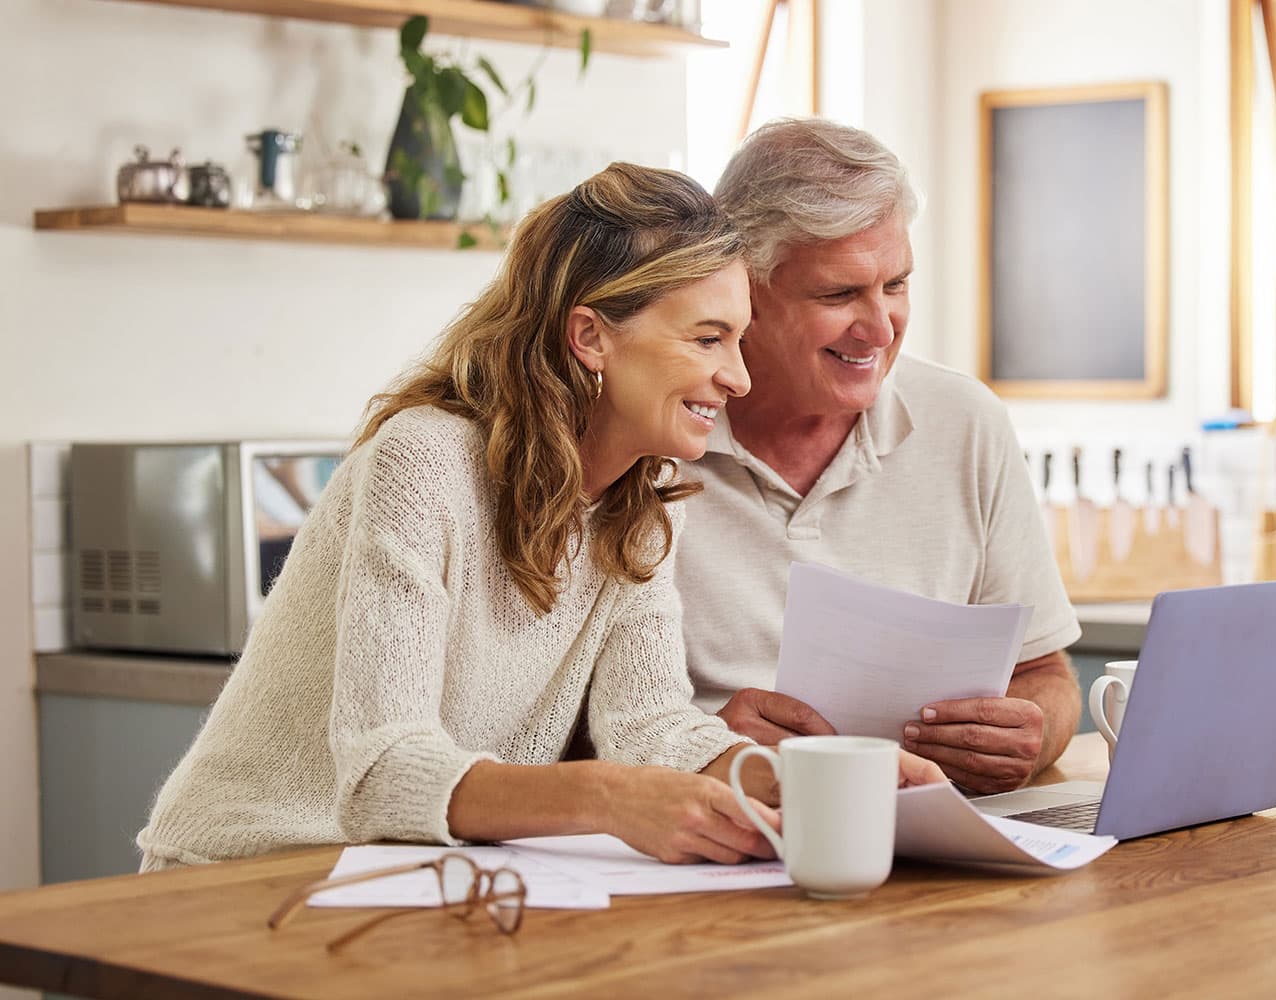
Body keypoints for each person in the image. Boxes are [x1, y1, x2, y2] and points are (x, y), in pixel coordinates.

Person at [138, 163, 938, 874]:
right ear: (591, 336)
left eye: (737, 340)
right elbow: (381, 772)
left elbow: (650, 724)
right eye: (707, 339)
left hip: (410, 883)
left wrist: (811, 775)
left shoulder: (643, 497)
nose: (735, 377)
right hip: (245, 871)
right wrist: (606, 797)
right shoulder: (424, 462)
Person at [677, 120, 1083, 794]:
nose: (880, 327)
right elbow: (554, 726)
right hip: (720, 843)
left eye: (895, 285)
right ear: (743, 288)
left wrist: (1030, 735)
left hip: (931, 843)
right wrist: (697, 746)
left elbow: (1047, 677)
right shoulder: (654, 435)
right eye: (839, 294)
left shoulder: (965, 422)